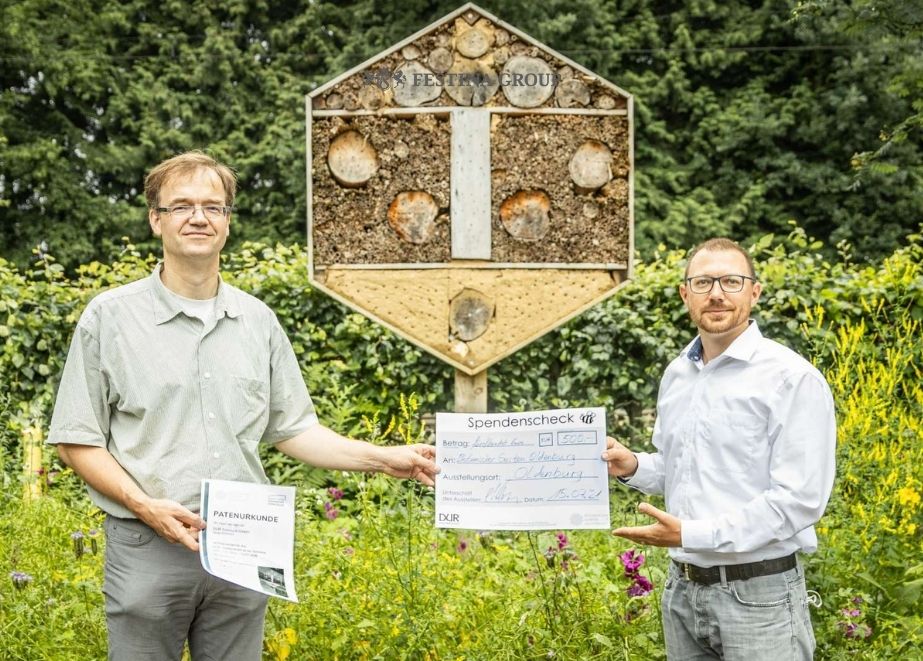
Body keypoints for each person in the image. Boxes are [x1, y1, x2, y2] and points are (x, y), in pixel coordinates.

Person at [47, 151, 439, 661]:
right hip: (148, 545)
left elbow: (294, 429)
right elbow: (76, 440)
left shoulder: (258, 321)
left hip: (243, 543)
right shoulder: (110, 318)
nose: (198, 217)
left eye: (213, 206)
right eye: (181, 205)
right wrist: (144, 505)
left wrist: (387, 459)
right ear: (155, 220)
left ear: (227, 223)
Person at [602, 237, 835, 660]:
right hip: (683, 592)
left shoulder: (791, 378)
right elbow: (681, 468)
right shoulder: (678, 374)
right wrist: (632, 465)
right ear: (684, 293)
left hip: (759, 598)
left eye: (731, 281)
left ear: (755, 291)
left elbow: (799, 501)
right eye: (704, 281)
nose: (716, 293)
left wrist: (689, 534)